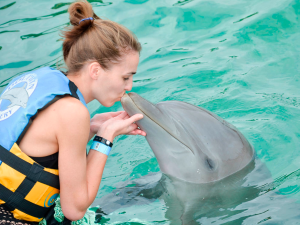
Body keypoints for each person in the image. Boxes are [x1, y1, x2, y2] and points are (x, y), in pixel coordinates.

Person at [0, 0, 146, 224]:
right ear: (95, 70)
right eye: (125, 77)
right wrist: (105, 137)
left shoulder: (41, 78)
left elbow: (36, 148)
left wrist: (91, 127)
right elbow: (74, 209)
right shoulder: (73, 111)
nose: (129, 87)